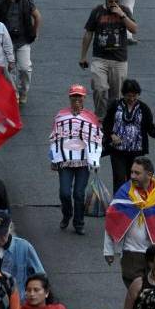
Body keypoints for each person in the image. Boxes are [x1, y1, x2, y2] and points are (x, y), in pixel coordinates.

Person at [104, 157, 155, 287]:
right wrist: (108, 250)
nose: (132, 176)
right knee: (137, 294)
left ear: (149, 175)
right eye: (132, 172)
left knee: (154, 294)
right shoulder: (124, 193)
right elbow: (112, 223)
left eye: (137, 173)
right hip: (131, 254)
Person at [49, 84, 103, 234]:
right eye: (74, 96)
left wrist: (95, 160)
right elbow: (54, 138)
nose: (76, 99)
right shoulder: (60, 116)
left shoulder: (91, 117)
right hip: (65, 161)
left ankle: (79, 223)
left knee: (79, 194)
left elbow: (97, 139)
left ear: (84, 98)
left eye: (79, 96)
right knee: (64, 193)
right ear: (70, 97)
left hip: (83, 162)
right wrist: (53, 158)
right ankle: (67, 214)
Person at [80, 0, 138, 118]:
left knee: (116, 96)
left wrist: (122, 15)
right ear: (105, 0)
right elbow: (88, 33)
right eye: (110, 1)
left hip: (119, 60)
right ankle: (100, 117)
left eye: (116, 1)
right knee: (99, 89)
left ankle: (112, 119)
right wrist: (83, 56)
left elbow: (134, 29)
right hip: (100, 59)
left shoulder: (125, 11)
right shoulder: (97, 12)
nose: (113, 4)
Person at [102, 79, 155, 189]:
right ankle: (119, 200)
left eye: (134, 96)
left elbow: (149, 126)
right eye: (129, 96)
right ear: (123, 94)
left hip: (136, 151)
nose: (131, 99)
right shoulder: (115, 106)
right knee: (119, 179)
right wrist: (111, 135)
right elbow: (106, 123)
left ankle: (134, 199)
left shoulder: (143, 108)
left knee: (135, 179)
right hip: (117, 150)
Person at [0, 0, 40, 104]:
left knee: (25, 68)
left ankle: (23, 91)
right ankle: (13, 93)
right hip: (6, 42)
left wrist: (35, 32)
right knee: (9, 70)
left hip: (23, 40)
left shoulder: (27, 1)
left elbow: (37, 16)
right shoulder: (1, 2)